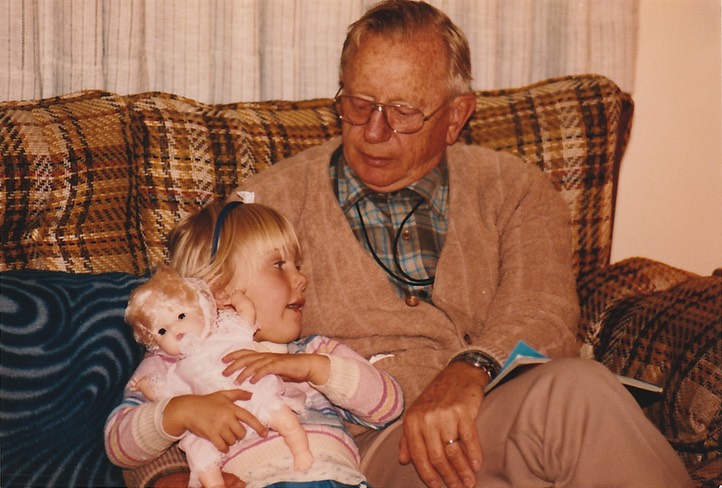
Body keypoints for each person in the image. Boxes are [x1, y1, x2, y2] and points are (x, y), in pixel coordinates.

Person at [112, 1, 693, 487]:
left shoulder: (514, 189)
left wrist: (469, 371)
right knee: (580, 396)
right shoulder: (265, 206)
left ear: (457, 115)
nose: (373, 131)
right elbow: (179, 342)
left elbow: (544, 313)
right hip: (357, 447)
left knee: (576, 392)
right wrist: (170, 478)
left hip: (492, 412)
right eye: (358, 104)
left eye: (404, 112)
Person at [105, 200, 404, 488]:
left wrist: (316, 369)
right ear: (221, 288)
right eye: (279, 264)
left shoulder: (311, 353)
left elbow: (388, 407)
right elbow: (118, 444)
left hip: (333, 475)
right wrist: (178, 412)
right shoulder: (171, 366)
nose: (301, 278)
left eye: (296, 265)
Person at [124, 264, 313, 487]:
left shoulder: (227, 333)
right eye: (162, 331)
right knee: (200, 450)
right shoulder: (176, 370)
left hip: (253, 395)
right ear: (156, 344)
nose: (176, 330)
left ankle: (300, 448)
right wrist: (147, 386)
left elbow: (246, 316)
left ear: (202, 311)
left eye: (181, 316)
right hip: (215, 424)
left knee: (281, 414)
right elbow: (165, 396)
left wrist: (238, 299)